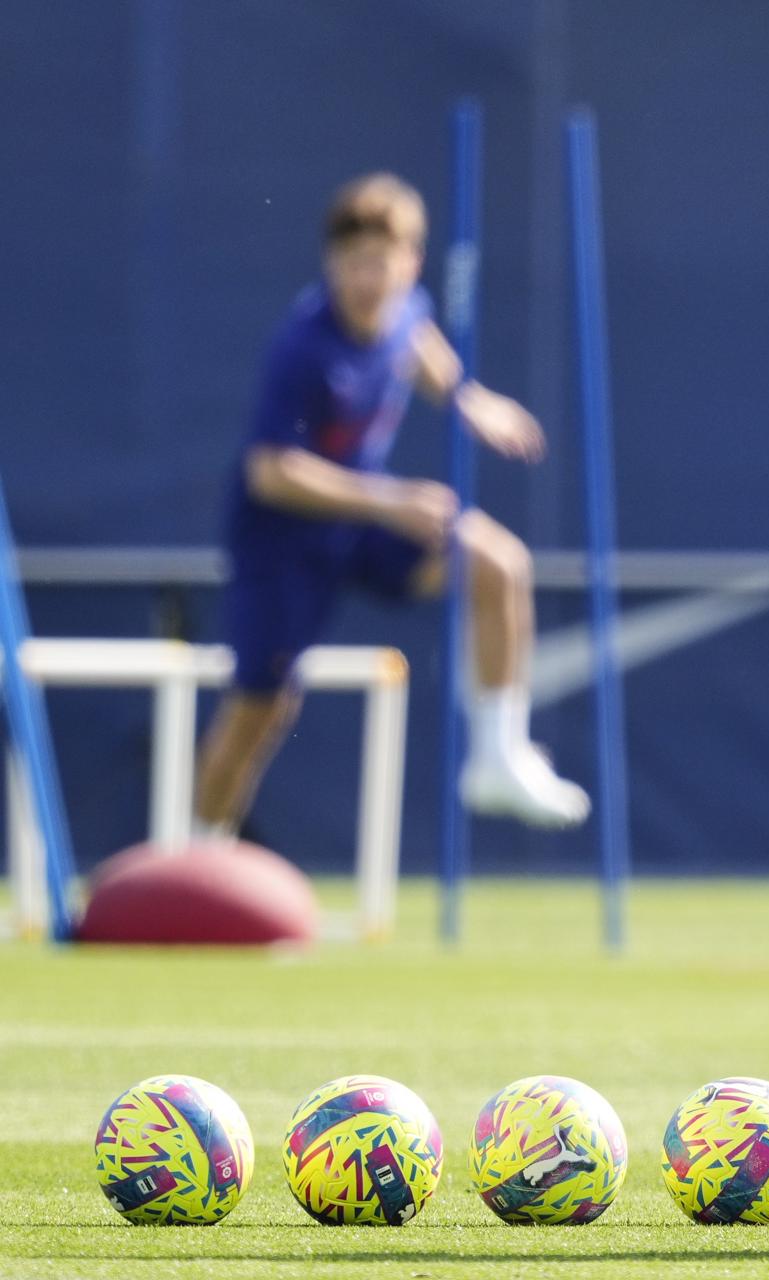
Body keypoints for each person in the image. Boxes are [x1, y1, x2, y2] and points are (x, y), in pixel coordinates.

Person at [193, 173, 591, 839]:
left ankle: (498, 756)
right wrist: (388, 499)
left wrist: (469, 399)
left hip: (363, 524)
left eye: (382, 263)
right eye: (354, 265)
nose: (369, 280)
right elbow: (270, 471)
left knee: (498, 562)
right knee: (263, 708)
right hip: (285, 543)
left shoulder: (408, 309)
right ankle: (200, 853)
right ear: (331, 265)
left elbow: (420, 342)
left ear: (410, 263)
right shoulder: (304, 347)